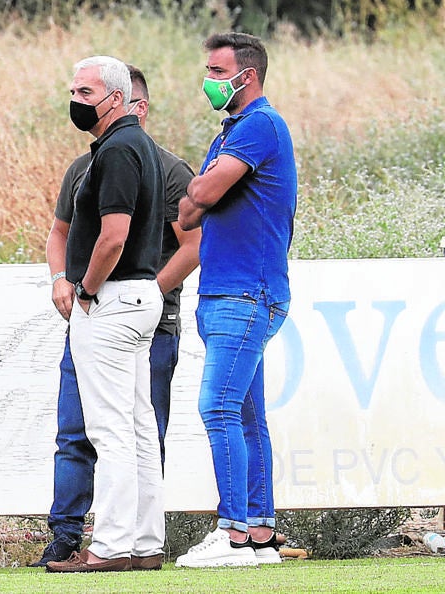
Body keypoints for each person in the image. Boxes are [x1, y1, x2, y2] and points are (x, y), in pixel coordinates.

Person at [35, 65, 199, 569]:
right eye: (72, 90)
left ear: (117, 98)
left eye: (85, 91)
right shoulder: (138, 147)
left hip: (113, 298)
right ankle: (147, 544)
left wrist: (84, 287)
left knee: (110, 432)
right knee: (138, 426)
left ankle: (108, 547)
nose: (75, 99)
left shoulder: (119, 149)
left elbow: (113, 236)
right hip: (139, 297)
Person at [175, 33, 297, 568]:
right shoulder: (231, 132)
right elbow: (190, 214)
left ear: (246, 76)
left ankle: (232, 535)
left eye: (216, 71)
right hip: (232, 290)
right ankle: (260, 534)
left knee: (217, 407)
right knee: (247, 415)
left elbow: (198, 197)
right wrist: (203, 194)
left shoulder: (258, 126)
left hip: (246, 291)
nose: (210, 81)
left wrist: (203, 192)